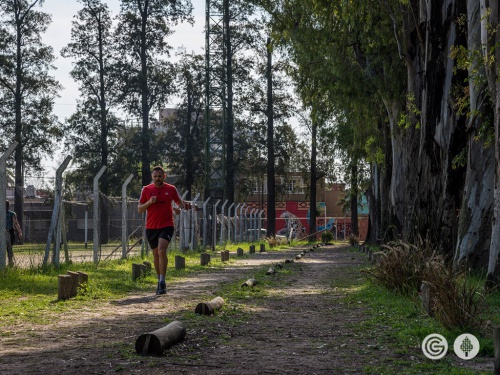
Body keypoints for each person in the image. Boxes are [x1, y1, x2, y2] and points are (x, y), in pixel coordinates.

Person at [138, 166, 188, 295]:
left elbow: (180, 204)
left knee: (161, 250)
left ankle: (162, 281)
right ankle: (158, 279)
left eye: (160, 176)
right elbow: (140, 209)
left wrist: (178, 210)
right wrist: (149, 202)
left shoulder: (171, 189)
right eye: (155, 176)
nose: (157, 179)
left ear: (164, 176)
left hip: (166, 225)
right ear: (152, 177)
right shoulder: (146, 190)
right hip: (151, 227)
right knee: (156, 254)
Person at [5, 200, 22, 267]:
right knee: (9, 248)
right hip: (7, 232)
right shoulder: (12, 214)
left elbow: (15, 223)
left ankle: (10, 262)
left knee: (9, 247)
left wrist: (20, 232)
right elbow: (15, 223)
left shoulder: (12, 214)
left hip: (10, 232)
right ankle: (10, 261)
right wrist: (20, 232)